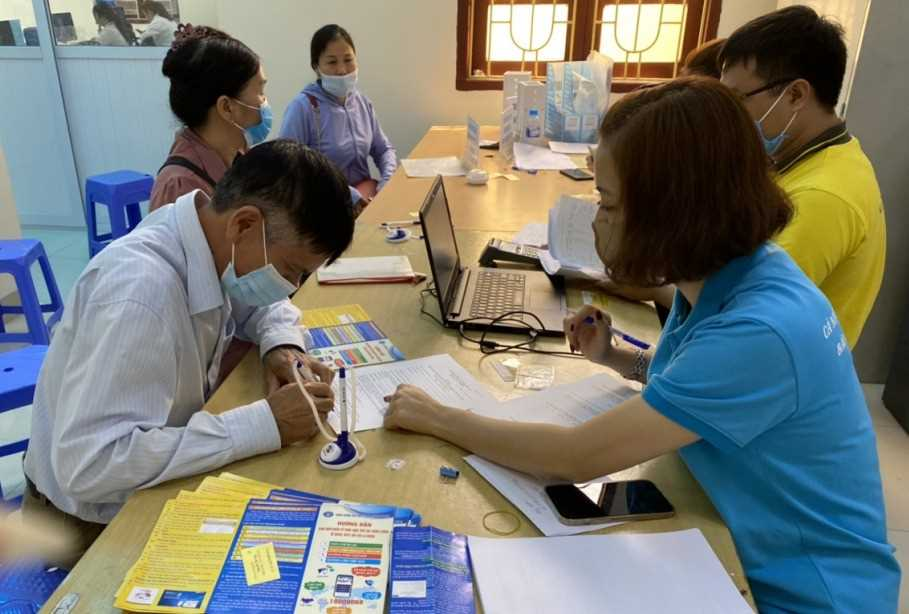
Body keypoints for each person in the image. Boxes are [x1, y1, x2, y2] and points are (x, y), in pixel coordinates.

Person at [383, 78, 900, 612]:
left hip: (806, 596)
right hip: (738, 539)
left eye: (607, 202)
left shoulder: (760, 331)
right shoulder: (733, 274)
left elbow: (576, 457)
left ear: (669, 212)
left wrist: (440, 417)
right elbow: (695, 384)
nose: (596, 218)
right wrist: (616, 356)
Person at [23, 140, 354, 569]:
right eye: (291, 271)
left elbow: (263, 304)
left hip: (139, 480)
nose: (290, 286)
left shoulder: (209, 237)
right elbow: (91, 465)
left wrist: (282, 347)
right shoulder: (141, 294)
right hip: (85, 523)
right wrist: (265, 423)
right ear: (244, 224)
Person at [719, 6, 885, 348]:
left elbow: (740, 322)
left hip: (771, 371)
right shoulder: (823, 157)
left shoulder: (822, 196)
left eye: (737, 100)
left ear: (795, 94)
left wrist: (652, 286)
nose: (728, 117)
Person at [150, 25, 270, 211]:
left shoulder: (238, 158)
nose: (264, 102)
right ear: (227, 107)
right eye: (260, 92)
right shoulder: (180, 190)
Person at [280, 24, 397, 213]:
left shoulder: (362, 102)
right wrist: (351, 196)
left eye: (348, 60)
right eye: (332, 62)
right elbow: (292, 169)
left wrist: (387, 180)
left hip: (364, 201)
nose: (342, 70)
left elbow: (383, 149)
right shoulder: (302, 108)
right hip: (325, 208)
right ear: (316, 67)